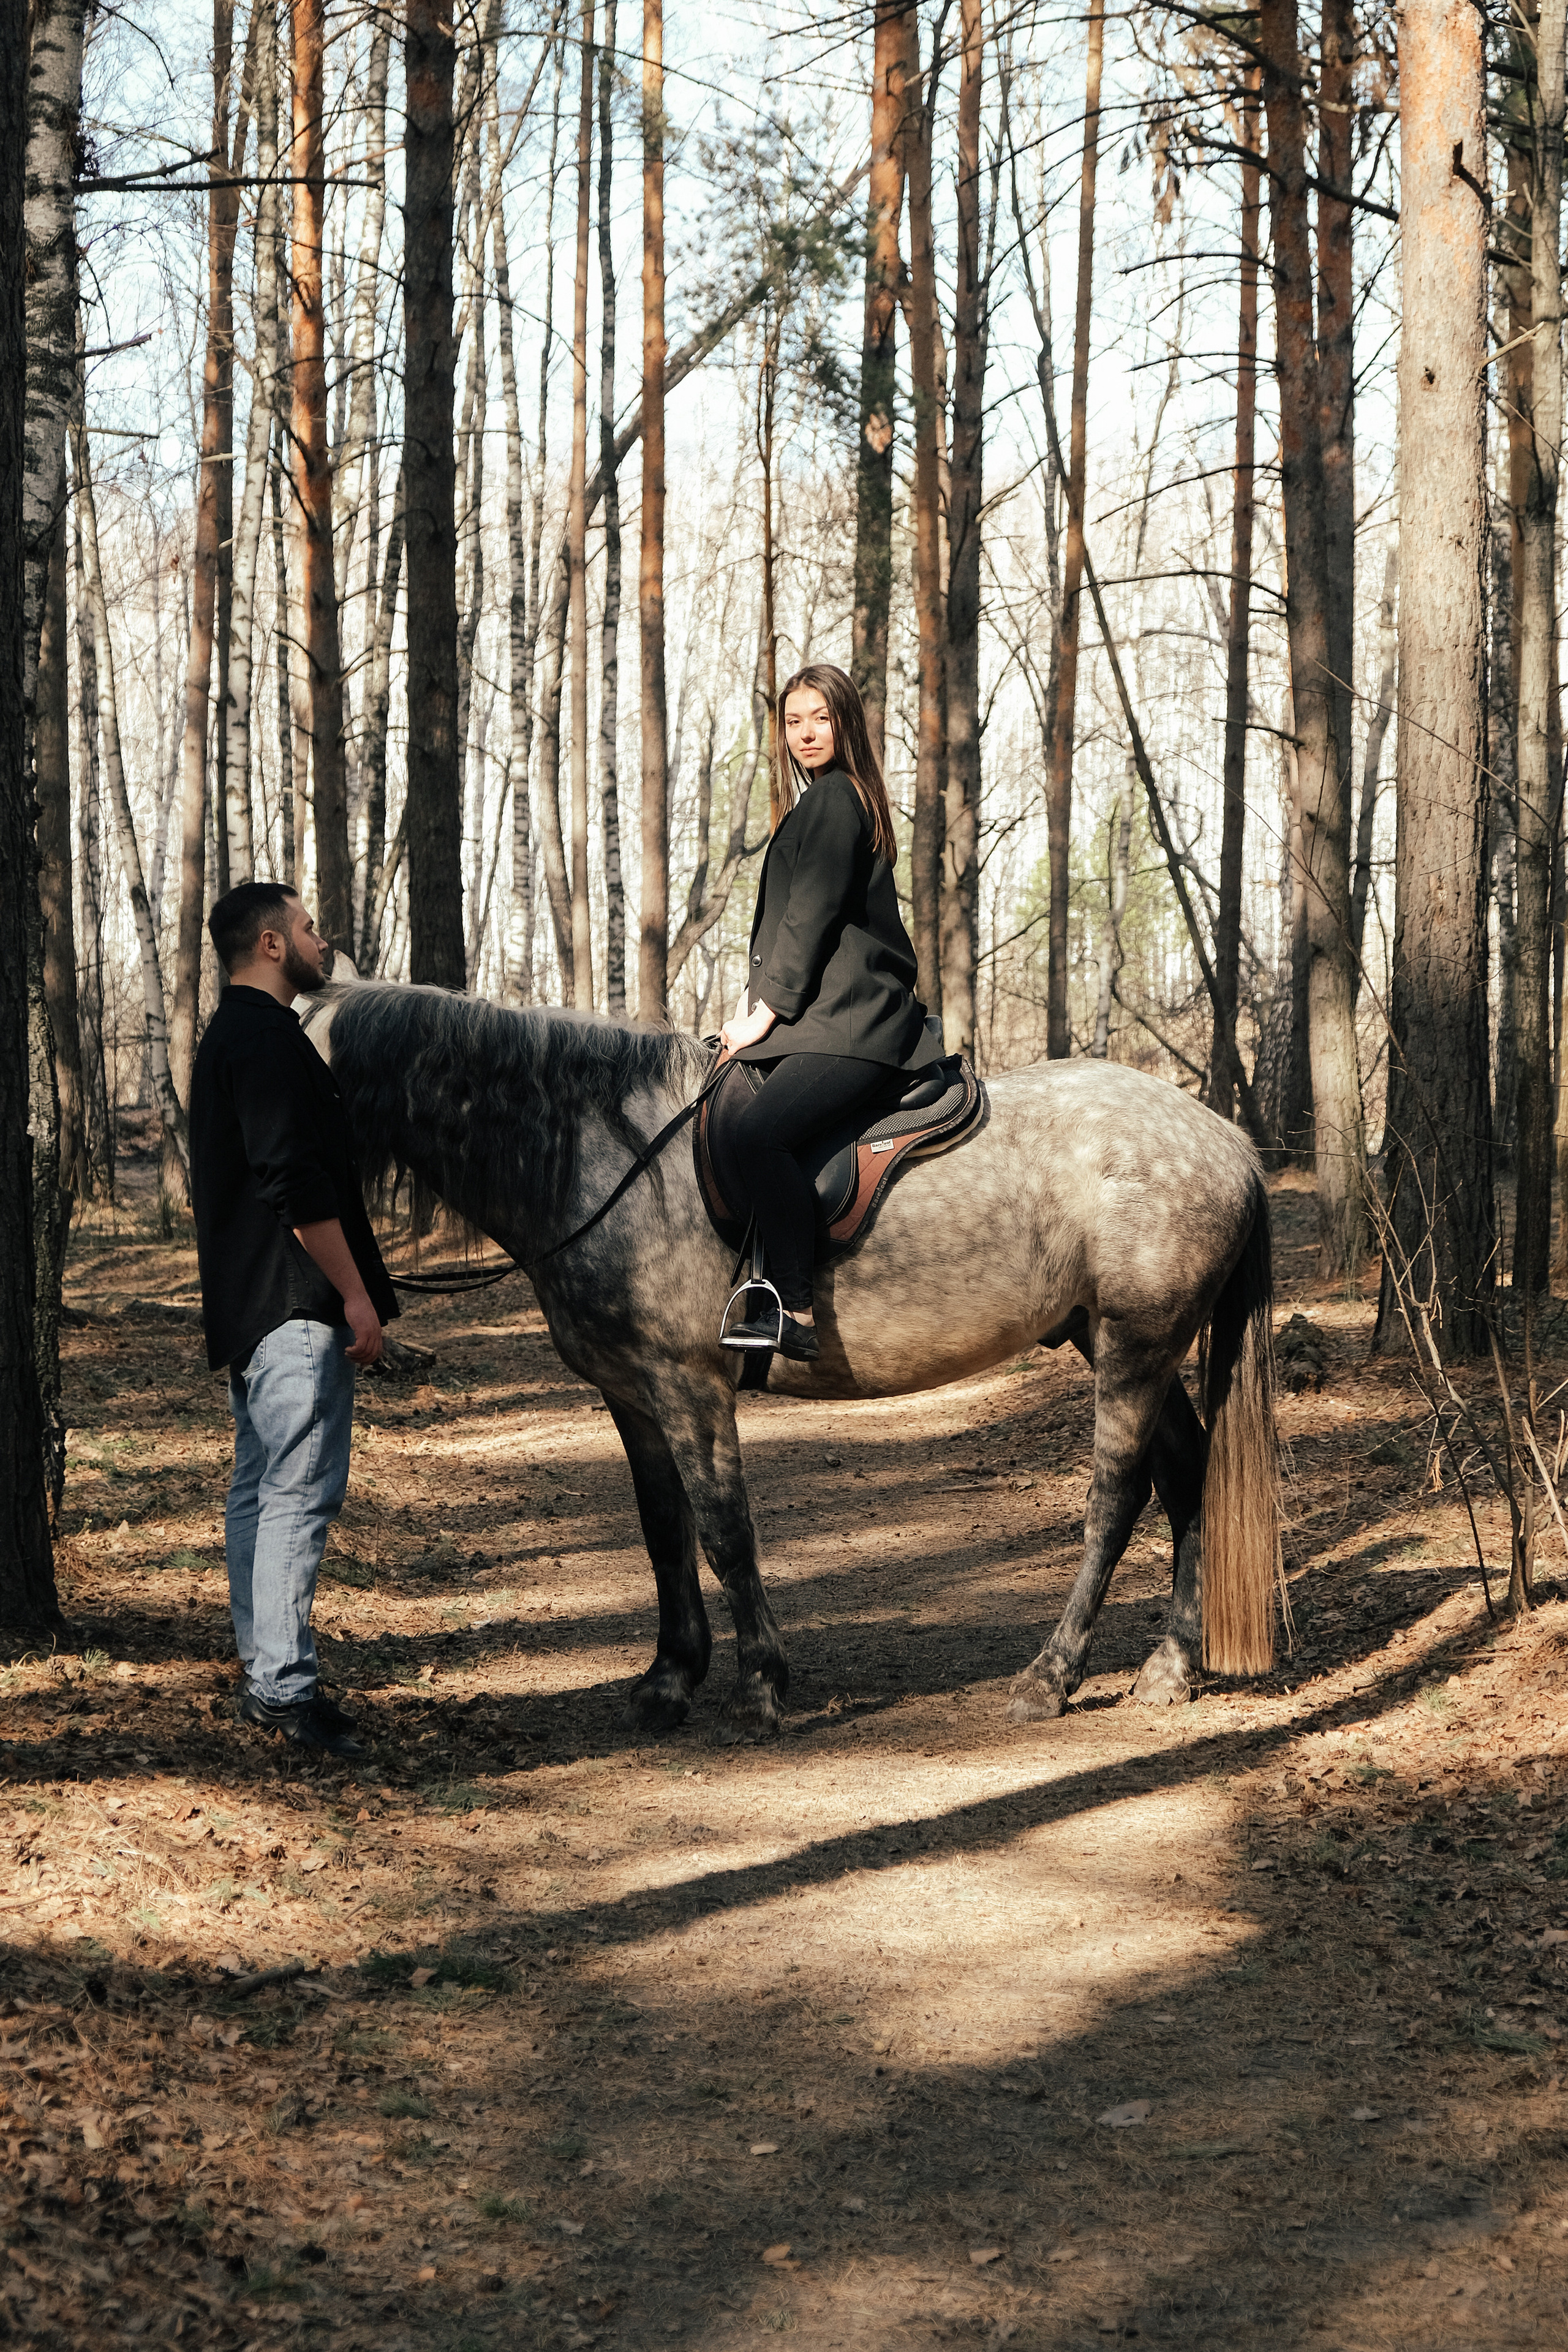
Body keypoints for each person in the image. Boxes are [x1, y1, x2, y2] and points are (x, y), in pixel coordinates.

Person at [190, 882, 398, 1760]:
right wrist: (353, 1294)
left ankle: (268, 1670)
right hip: (291, 1305)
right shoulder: (268, 1040)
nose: (322, 939)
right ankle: (282, 1692)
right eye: (309, 927)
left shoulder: (226, 1038)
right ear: (272, 944)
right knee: (295, 1495)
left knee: (258, 1491)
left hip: (251, 1307)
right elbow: (294, 1184)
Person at [717, 663, 942, 1360]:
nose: (805, 733)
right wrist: (752, 1005)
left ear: (845, 722)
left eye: (819, 717)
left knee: (757, 1140)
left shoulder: (834, 801)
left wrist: (766, 1012)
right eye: (793, 721)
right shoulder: (836, 800)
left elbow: (808, 918)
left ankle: (797, 1309)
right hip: (835, 1017)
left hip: (855, 1025)